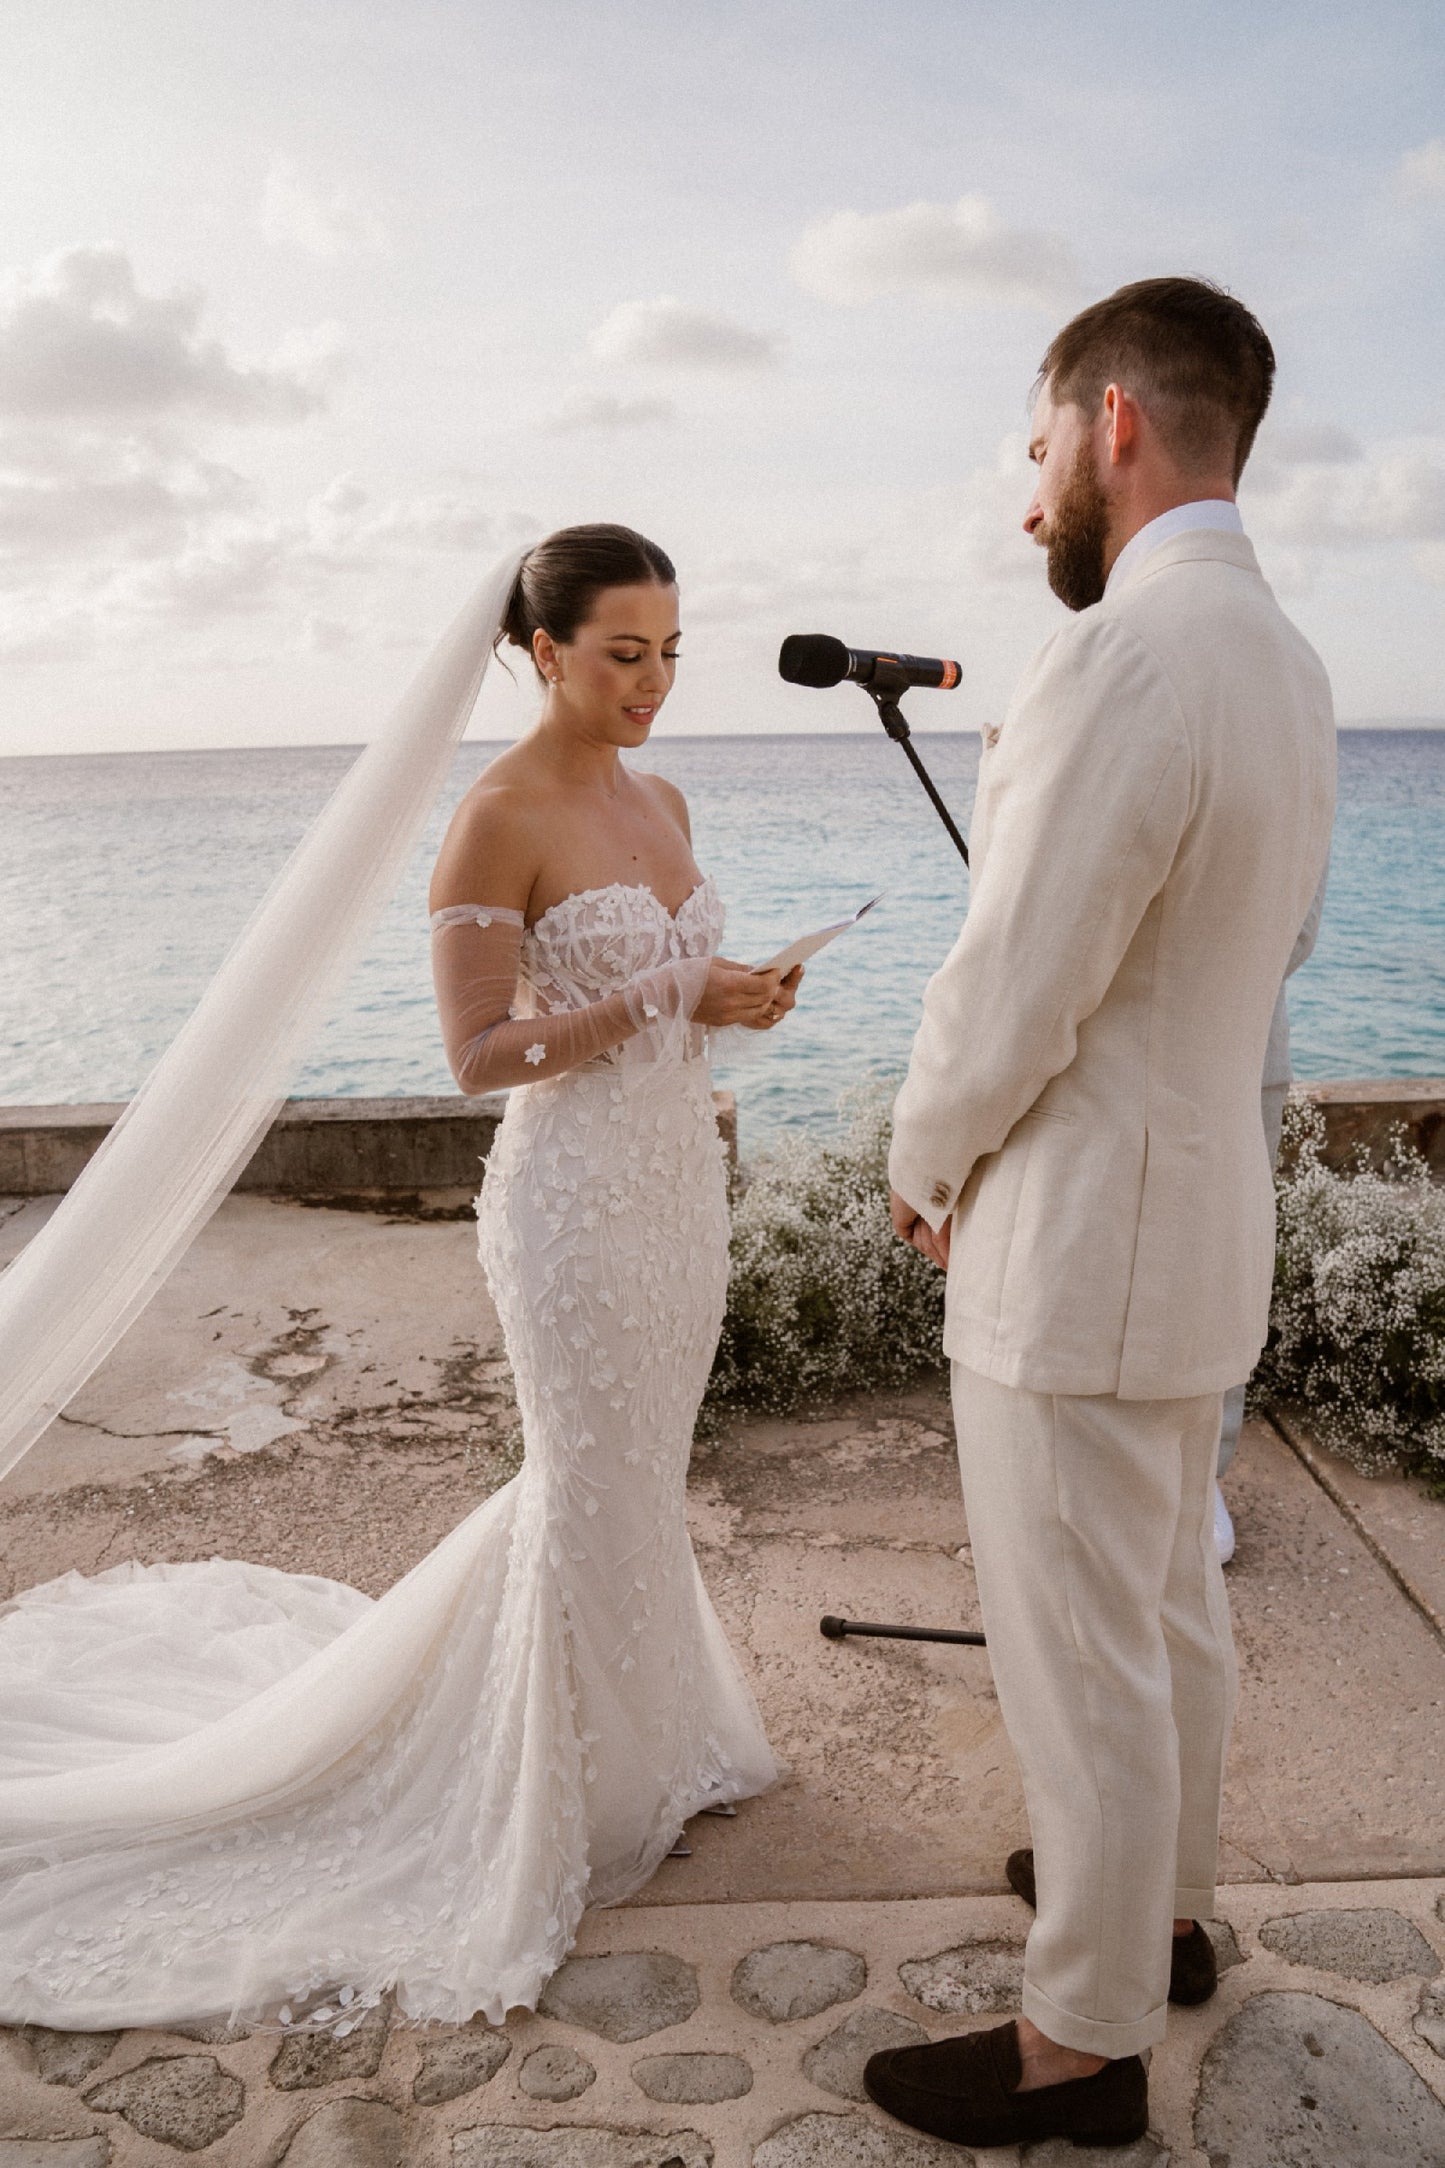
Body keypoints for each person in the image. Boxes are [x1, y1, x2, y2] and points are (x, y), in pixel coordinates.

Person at [0, 523, 795, 2033]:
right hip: (569, 1212)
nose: (654, 681)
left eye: (672, 650)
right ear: (544, 650)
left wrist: (732, 1001)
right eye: (624, 652)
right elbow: (481, 1056)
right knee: (585, 1478)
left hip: (678, 1197)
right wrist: (669, 989)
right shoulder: (494, 817)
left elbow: (667, 1009)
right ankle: (544, 1794)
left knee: (643, 1476)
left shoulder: (665, 795)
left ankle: (642, 1751)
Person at [869, 281, 1335, 2150]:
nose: (1029, 494)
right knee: (1162, 1614)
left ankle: (1078, 2046)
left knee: (1079, 1648)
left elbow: (1013, 985)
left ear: (1116, 418)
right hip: (1210, 1210)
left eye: (1039, 443)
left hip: (1076, 1242)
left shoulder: (1120, 658)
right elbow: (1283, 948)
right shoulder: (1288, 660)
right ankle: (1166, 1912)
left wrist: (921, 1164)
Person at [1214, 875, 1325, 1563]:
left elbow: (1298, 921)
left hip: (1238, 1051)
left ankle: (1197, 1477)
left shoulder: (1304, 758)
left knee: (1221, 1271)